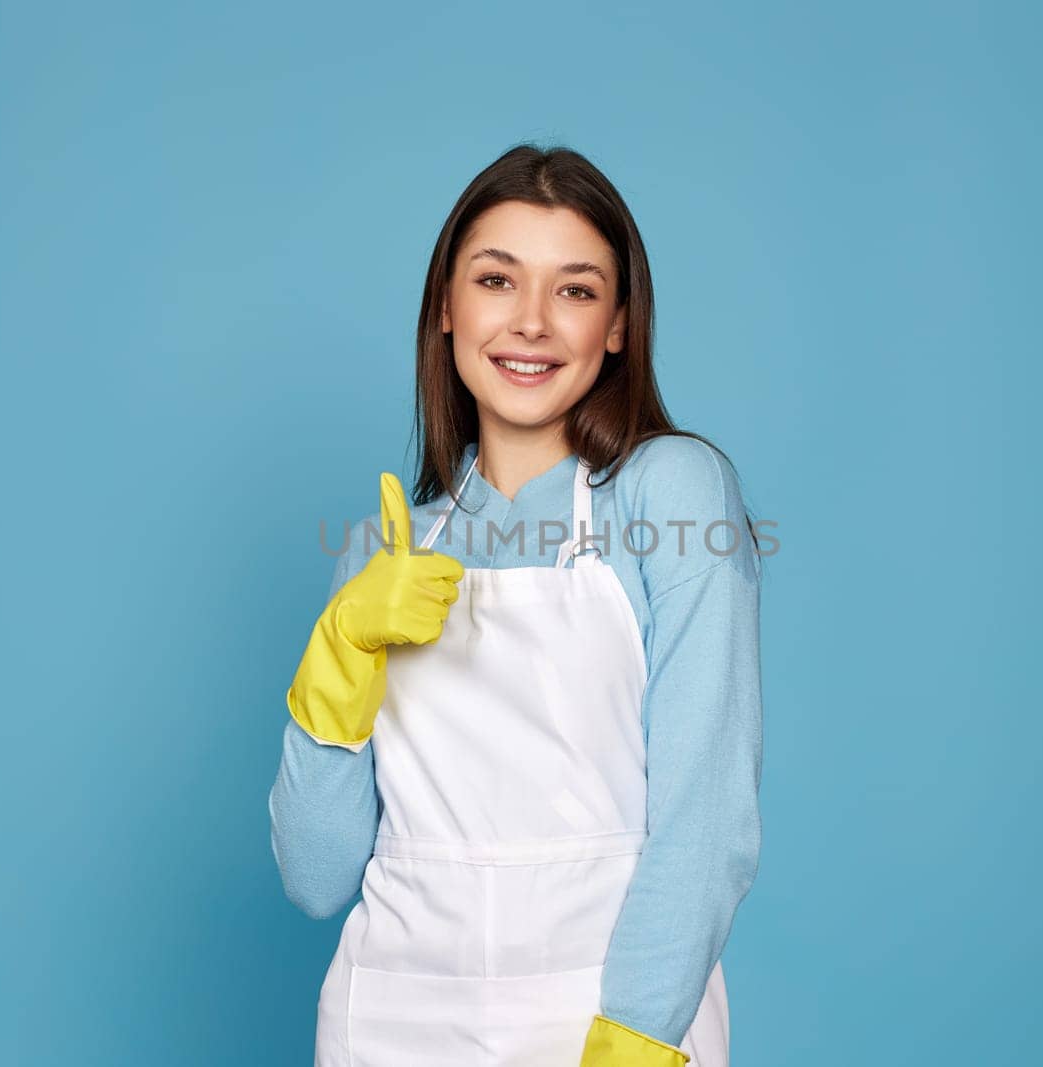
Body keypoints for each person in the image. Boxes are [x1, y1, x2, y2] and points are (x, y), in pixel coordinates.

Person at [270, 144, 764, 1066]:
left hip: (603, 1004)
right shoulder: (384, 546)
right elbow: (315, 874)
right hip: (392, 1017)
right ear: (446, 309)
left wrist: (636, 1038)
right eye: (497, 280)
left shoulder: (670, 491)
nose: (531, 322)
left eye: (575, 290)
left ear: (617, 326)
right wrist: (340, 650)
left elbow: (707, 818)